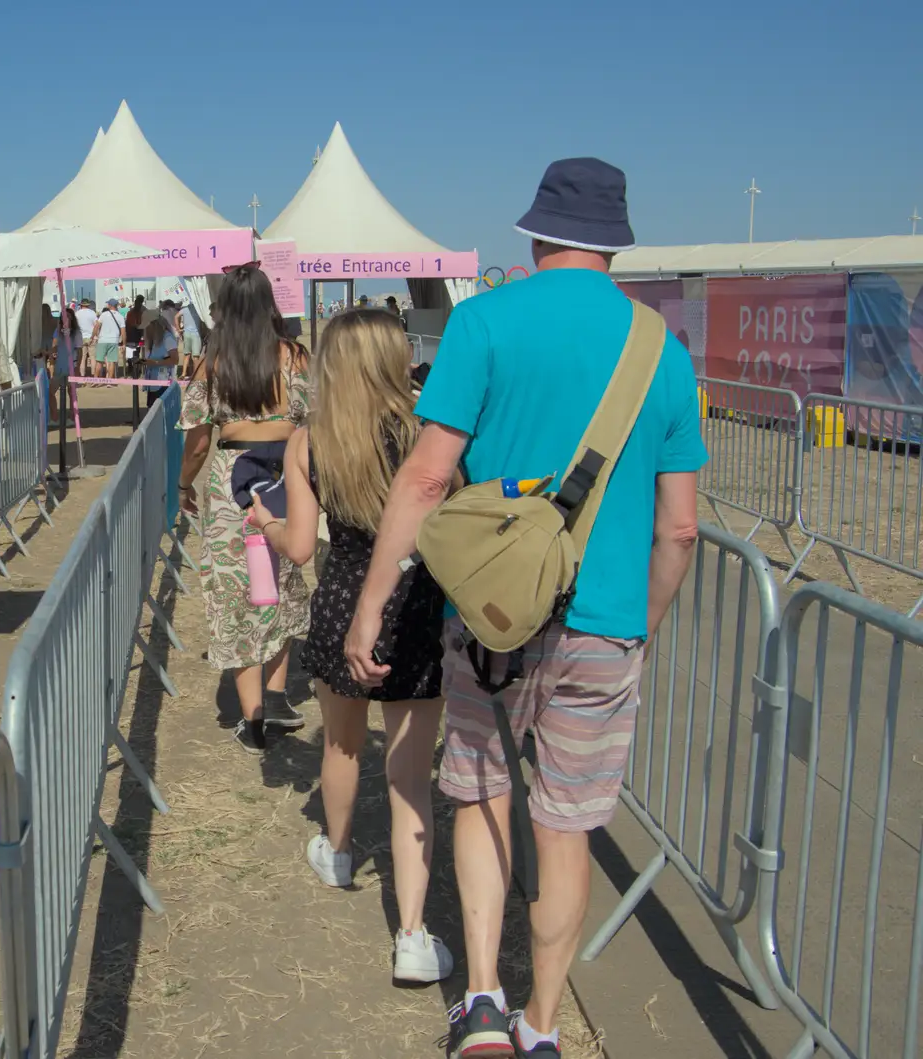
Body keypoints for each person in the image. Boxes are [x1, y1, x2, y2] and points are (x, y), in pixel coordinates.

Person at [342, 158, 706, 1058]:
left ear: (537, 233)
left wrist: (372, 606)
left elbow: (428, 476)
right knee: (569, 824)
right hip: (607, 623)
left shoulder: (483, 323)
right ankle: (544, 1023)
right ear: (616, 243)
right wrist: (641, 627)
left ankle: (480, 1004)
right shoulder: (664, 349)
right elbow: (682, 529)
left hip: (491, 618)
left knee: (480, 796)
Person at [248, 310, 452, 983]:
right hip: (416, 604)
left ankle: (337, 853)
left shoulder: (309, 442)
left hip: (342, 600)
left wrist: (268, 525)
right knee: (410, 778)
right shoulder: (429, 434)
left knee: (341, 744)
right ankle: (415, 935)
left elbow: (302, 548)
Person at [177, 264, 311, 753]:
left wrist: (183, 485)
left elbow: (196, 441)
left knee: (237, 591)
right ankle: (276, 698)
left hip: (232, 479)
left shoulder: (214, 361)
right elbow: (313, 417)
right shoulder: (295, 356)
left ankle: (253, 717)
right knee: (281, 584)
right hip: (287, 477)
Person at [139, 318, 178, 409]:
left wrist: (156, 362)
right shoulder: (152, 339)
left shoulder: (167, 338)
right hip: (152, 380)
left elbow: (175, 359)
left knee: (160, 408)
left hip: (163, 380)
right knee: (152, 407)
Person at [92, 298, 126, 381]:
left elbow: (97, 326)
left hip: (102, 340)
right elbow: (123, 332)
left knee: (99, 361)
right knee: (112, 361)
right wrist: (124, 343)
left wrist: (93, 336)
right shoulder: (120, 316)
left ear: (109, 305)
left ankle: (96, 380)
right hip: (114, 340)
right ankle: (109, 381)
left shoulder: (104, 314)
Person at [124, 294, 149, 376]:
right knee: (135, 353)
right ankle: (134, 368)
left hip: (134, 335)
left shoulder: (132, 312)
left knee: (134, 353)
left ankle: (134, 368)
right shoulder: (141, 311)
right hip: (136, 335)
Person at [74, 299, 99, 377]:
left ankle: (82, 376)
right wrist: (93, 336)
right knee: (92, 358)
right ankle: (93, 375)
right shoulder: (92, 313)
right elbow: (96, 325)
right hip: (91, 337)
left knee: (82, 358)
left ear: (81, 305)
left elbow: (75, 326)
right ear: (88, 305)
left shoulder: (77, 313)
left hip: (81, 338)